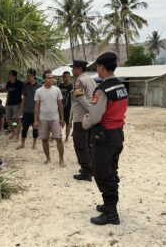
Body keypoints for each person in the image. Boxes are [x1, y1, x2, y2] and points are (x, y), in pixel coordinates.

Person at [82, 52, 128, 225]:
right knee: (111, 168)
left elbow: (94, 117)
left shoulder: (102, 90)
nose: (97, 70)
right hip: (117, 132)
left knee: (102, 171)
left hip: (104, 136)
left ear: (101, 67)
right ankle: (109, 204)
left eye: (97, 67)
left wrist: (84, 123)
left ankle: (111, 213)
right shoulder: (121, 86)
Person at [71, 60, 96, 181]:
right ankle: (91, 168)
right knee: (89, 143)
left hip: (81, 117)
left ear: (79, 69)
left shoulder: (79, 81)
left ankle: (86, 171)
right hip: (90, 117)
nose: (72, 71)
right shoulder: (91, 79)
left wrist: (90, 110)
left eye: (73, 68)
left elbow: (80, 99)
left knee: (80, 143)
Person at [34, 69, 65, 166]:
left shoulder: (57, 90)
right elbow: (36, 106)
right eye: (48, 78)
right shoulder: (38, 91)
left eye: (52, 78)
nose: (51, 80)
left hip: (55, 118)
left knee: (59, 139)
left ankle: (61, 159)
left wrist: (62, 118)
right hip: (43, 119)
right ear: (44, 79)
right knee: (44, 139)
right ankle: (48, 158)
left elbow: (60, 105)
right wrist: (35, 120)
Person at [17, 68, 41, 150]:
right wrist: (20, 110)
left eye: (29, 75)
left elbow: (41, 100)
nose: (27, 77)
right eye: (27, 75)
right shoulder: (25, 86)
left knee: (35, 128)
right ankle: (22, 144)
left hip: (36, 112)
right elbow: (24, 98)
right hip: (26, 111)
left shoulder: (39, 86)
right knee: (25, 128)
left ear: (34, 76)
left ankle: (34, 144)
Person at [5, 70, 24, 140]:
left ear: (14, 76)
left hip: (17, 104)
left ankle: (18, 136)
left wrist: (21, 106)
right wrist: (6, 104)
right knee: (7, 119)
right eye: (9, 75)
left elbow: (24, 95)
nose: (9, 77)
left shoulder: (20, 84)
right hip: (9, 104)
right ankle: (14, 132)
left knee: (18, 120)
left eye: (10, 75)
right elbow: (8, 94)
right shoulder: (8, 84)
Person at [59, 71, 73, 143]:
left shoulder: (72, 86)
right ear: (63, 77)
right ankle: (58, 136)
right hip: (60, 106)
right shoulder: (60, 85)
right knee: (58, 122)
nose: (66, 78)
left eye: (67, 77)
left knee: (68, 122)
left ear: (69, 77)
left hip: (68, 107)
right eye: (64, 77)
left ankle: (67, 138)